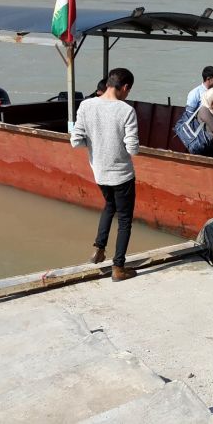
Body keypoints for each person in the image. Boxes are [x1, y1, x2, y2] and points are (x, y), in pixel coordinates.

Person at [70, 68, 139, 282]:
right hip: (122, 174)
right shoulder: (126, 110)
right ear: (125, 87)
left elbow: (76, 141)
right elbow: (133, 149)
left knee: (109, 206)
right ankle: (118, 267)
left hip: (99, 172)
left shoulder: (86, 105)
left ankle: (99, 249)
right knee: (125, 221)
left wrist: (96, 143)